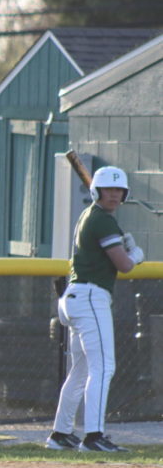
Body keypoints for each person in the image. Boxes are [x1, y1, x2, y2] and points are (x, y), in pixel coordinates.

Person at [46, 166, 144, 452]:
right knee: (103, 367)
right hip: (90, 297)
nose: (113, 195)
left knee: (81, 370)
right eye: (108, 190)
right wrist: (135, 254)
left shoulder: (94, 217)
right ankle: (93, 437)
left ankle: (60, 434)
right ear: (97, 191)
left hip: (77, 297)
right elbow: (124, 265)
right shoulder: (102, 221)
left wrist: (123, 249)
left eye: (118, 190)